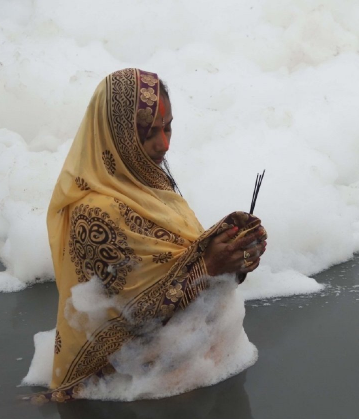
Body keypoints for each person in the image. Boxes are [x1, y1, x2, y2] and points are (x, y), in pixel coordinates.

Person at [33, 68, 267, 403]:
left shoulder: (150, 184)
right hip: (117, 390)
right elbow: (131, 314)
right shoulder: (94, 212)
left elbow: (179, 262)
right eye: (147, 133)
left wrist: (235, 253)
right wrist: (209, 266)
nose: (164, 144)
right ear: (115, 135)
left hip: (184, 369)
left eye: (168, 126)